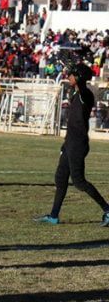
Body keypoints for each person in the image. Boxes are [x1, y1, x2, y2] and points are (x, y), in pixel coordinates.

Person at [35, 63, 109, 226]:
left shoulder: (86, 94)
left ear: (79, 78)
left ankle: (107, 209)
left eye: (71, 75)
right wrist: (64, 145)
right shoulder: (76, 95)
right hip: (70, 143)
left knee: (79, 181)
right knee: (60, 178)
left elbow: (82, 88)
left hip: (78, 144)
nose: (68, 77)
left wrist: (79, 75)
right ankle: (54, 216)